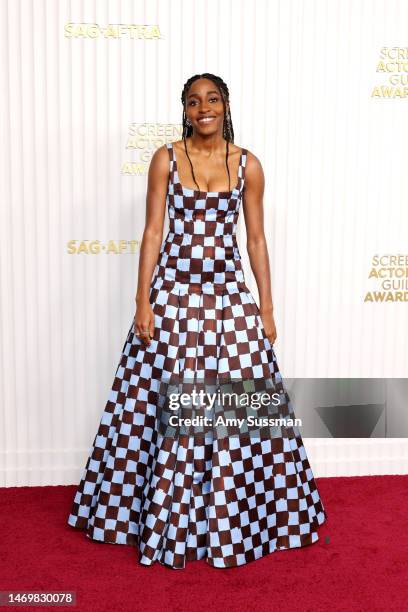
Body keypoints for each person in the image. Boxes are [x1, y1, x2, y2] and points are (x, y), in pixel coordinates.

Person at [67, 72, 327, 569]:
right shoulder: (165, 159)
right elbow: (151, 232)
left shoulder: (249, 165)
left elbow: (255, 241)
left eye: (211, 99)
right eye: (192, 101)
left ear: (226, 104)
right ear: (183, 109)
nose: (202, 108)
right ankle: (151, 516)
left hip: (229, 300)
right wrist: (142, 300)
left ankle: (243, 519)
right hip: (174, 298)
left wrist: (266, 307)